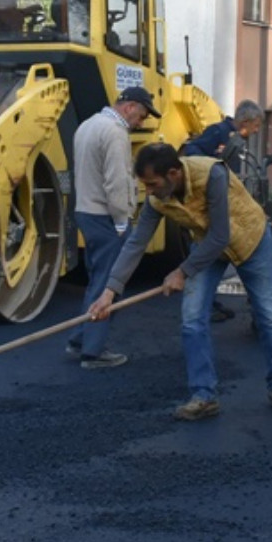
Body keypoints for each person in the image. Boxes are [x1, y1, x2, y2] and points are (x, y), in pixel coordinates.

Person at [88, 143, 272, 421]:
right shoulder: (156, 200)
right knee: (192, 318)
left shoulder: (212, 175)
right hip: (208, 250)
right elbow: (135, 244)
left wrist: (181, 272)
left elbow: (221, 235)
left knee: (270, 317)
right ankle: (204, 396)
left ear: (173, 173)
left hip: (251, 240)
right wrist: (109, 292)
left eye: (152, 183)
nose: (148, 191)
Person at [67, 86, 160, 369]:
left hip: (85, 211)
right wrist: (122, 223)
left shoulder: (87, 125)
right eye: (141, 115)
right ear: (129, 107)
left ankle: (79, 339)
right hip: (106, 217)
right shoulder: (116, 134)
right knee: (110, 284)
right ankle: (93, 352)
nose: (140, 123)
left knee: (97, 280)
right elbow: (117, 185)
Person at [182, 99, 266, 323]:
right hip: (210, 204)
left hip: (224, 202)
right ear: (246, 122)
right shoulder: (218, 131)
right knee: (206, 253)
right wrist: (214, 159)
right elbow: (191, 150)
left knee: (216, 256)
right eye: (256, 125)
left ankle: (208, 302)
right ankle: (202, 306)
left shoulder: (236, 139)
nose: (257, 131)